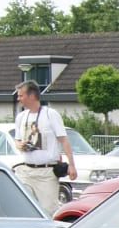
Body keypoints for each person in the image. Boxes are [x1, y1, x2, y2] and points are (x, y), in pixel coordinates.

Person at [12, 81, 76, 210]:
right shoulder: (21, 117)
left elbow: (63, 140)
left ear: (31, 96)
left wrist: (72, 165)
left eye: (21, 96)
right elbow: (17, 141)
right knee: (24, 206)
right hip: (26, 171)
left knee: (48, 209)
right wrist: (20, 145)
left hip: (46, 173)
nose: (18, 99)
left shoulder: (50, 114)